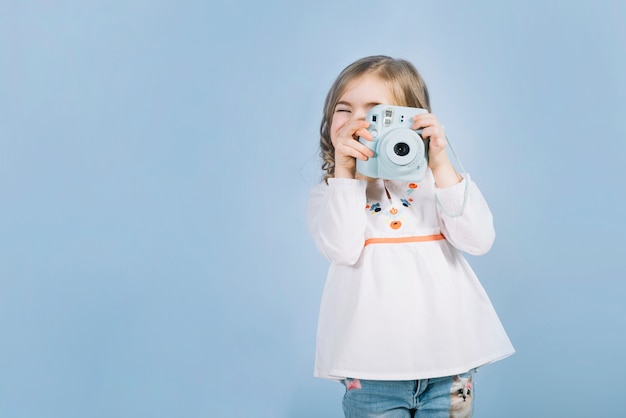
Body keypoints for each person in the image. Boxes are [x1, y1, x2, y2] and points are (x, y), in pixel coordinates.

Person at [306, 55, 515, 418]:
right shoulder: (331, 193)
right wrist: (346, 173)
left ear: (410, 120)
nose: (358, 121)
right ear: (329, 124)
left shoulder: (437, 183)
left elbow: (479, 239)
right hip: (370, 371)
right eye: (344, 110)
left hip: (449, 365)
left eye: (375, 111)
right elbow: (340, 248)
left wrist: (440, 163)